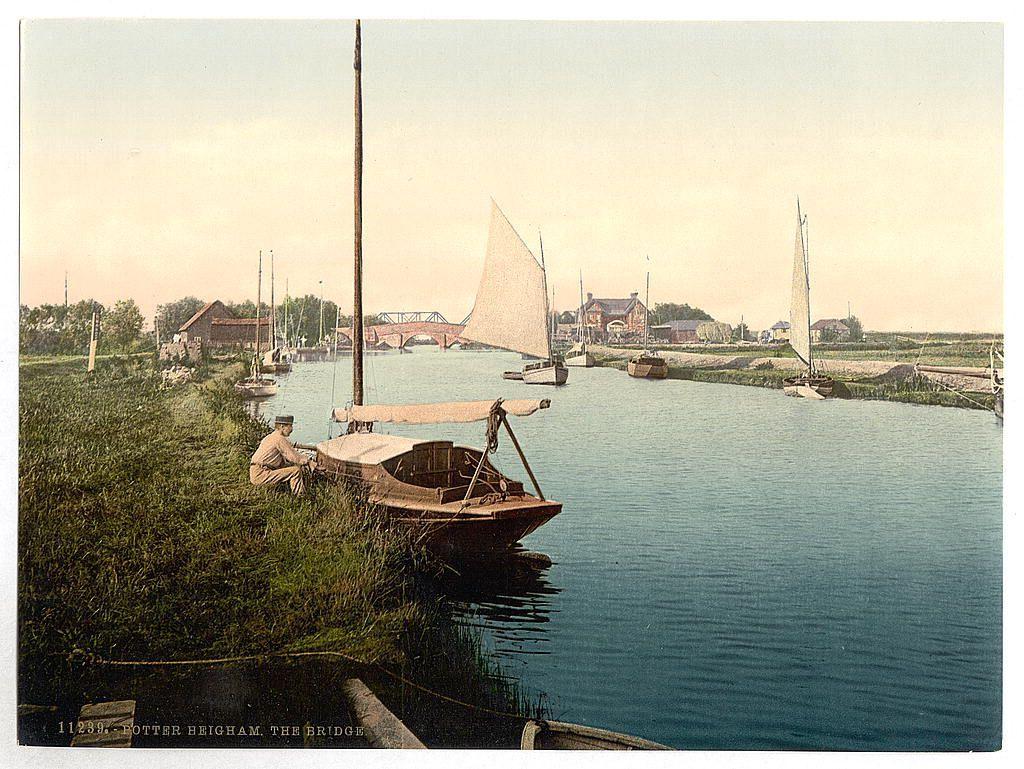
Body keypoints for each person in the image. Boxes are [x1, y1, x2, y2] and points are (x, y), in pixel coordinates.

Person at [249, 415, 316, 496]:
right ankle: (301, 497)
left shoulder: (270, 437)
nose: (291, 429)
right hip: (261, 474)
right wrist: (309, 462)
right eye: (290, 426)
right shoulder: (279, 439)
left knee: (290, 466)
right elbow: (294, 457)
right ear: (282, 426)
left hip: (256, 472)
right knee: (295, 471)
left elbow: (284, 459)